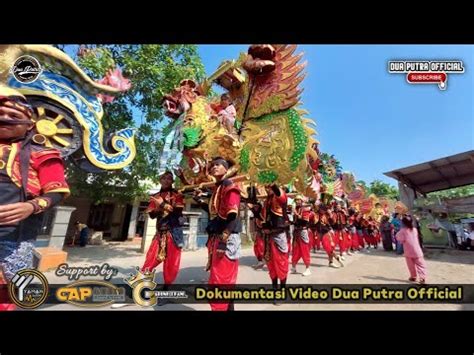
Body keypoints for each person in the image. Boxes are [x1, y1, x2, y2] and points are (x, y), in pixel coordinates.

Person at [0, 88, 70, 311]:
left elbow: (57, 191)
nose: (4, 118)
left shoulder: (42, 153)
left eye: (13, 115)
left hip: (11, 237)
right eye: (1, 113)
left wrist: (31, 206)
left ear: (30, 124)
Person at [194, 157, 241, 311]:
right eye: (212, 165)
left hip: (225, 237)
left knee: (220, 281)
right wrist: (199, 201)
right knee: (222, 280)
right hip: (216, 237)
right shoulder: (217, 188)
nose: (214, 167)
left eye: (218, 165)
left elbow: (232, 215)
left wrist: (223, 241)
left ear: (226, 169)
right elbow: (214, 213)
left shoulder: (229, 185)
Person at [141, 171, 185, 305]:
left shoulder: (177, 194)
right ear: (160, 180)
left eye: (169, 178)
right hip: (160, 233)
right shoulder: (155, 196)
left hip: (173, 233)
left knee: (171, 265)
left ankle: (166, 292)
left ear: (172, 181)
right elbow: (152, 215)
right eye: (163, 178)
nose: (166, 180)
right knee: (150, 260)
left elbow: (178, 211)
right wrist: (159, 206)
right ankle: (142, 288)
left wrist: (162, 205)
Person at [261, 183, 289, 305]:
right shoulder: (266, 202)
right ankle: (274, 291)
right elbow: (262, 217)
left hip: (278, 236)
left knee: (281, 265)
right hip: (268, 237)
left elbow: (279, 194)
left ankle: (282, 293)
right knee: (271, 266)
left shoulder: (280, 197)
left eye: (269, 187)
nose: (267, 189)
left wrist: (274, 184)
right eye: (266, 187)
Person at [396, 215, 427, 284]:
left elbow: (400, 239)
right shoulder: (415, 230)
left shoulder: (402, 231)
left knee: (411, 265)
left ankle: (413, 277)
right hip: (417, 251)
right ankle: (422, 278)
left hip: (408, 251)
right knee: (421, 265)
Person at [291, 195, 312, 276]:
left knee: (304, 250)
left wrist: (296, 214)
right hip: (296, 231)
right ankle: (293, 267)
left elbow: (305, 221)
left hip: (303, 231)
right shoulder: (295, 209)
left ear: (302, 201)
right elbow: (295, 221)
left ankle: (307, 269)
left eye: (298, 200)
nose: (297, 202)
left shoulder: (305, 209)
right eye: (296, 200)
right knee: (295, 250)